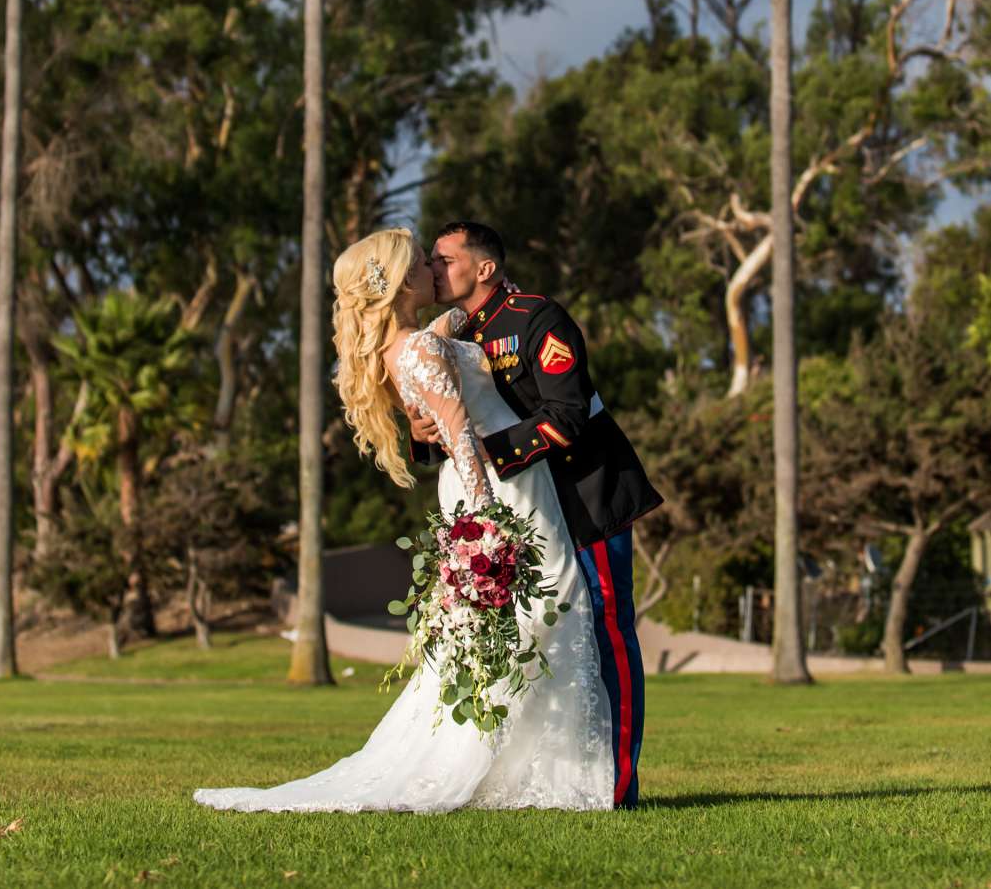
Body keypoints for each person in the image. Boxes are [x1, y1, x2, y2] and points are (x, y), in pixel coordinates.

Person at [192, 228, 619, 813]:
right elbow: (458, 433)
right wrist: (488, 521)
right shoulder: (418, 346)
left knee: (527, 622)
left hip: (506, 483)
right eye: (423, 261)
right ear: (397, 280)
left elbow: (465, 361)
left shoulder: (429, 336)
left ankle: (534, 771)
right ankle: (529, 772)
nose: (431, 267)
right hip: (496, 489)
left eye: (440, 259)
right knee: (539, 613)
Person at [414, 219, 661, 808]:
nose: (434, 269)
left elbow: (567, 416)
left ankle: (620, 786)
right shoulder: (446, 334)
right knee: (534, 640)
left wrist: (482, 450)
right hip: (516, 509)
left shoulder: (536, 319)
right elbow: (447, 426)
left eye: (445, 260)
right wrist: (427, 436)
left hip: (583, 494)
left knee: (607, 632)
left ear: (485, 269)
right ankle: (539, 779)